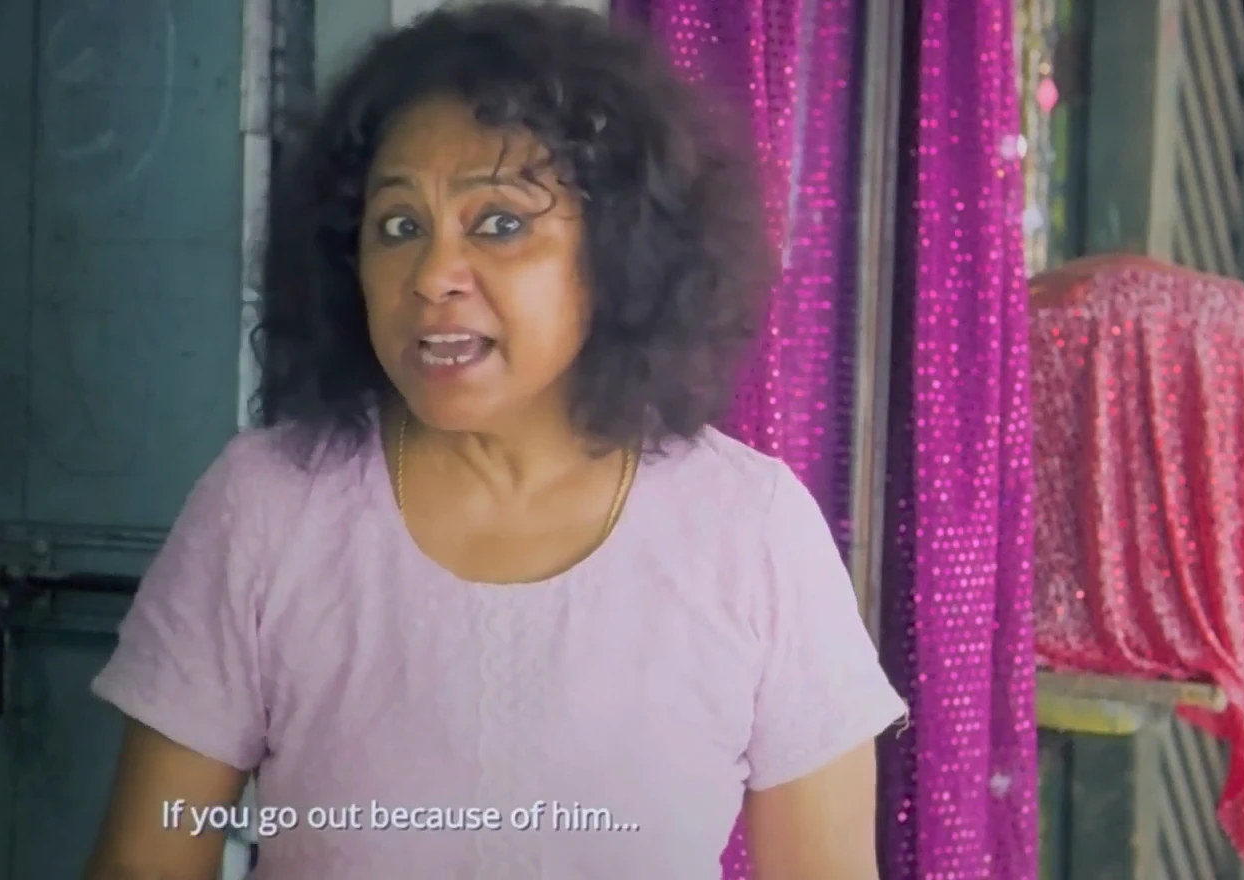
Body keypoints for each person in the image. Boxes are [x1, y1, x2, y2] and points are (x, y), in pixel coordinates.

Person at [84, 4, 905, 878]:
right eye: (399, 226)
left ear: (620, 250)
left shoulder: (752, 532)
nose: (432, 276)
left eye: (500, 223)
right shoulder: (266, 508)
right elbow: (146, 865)